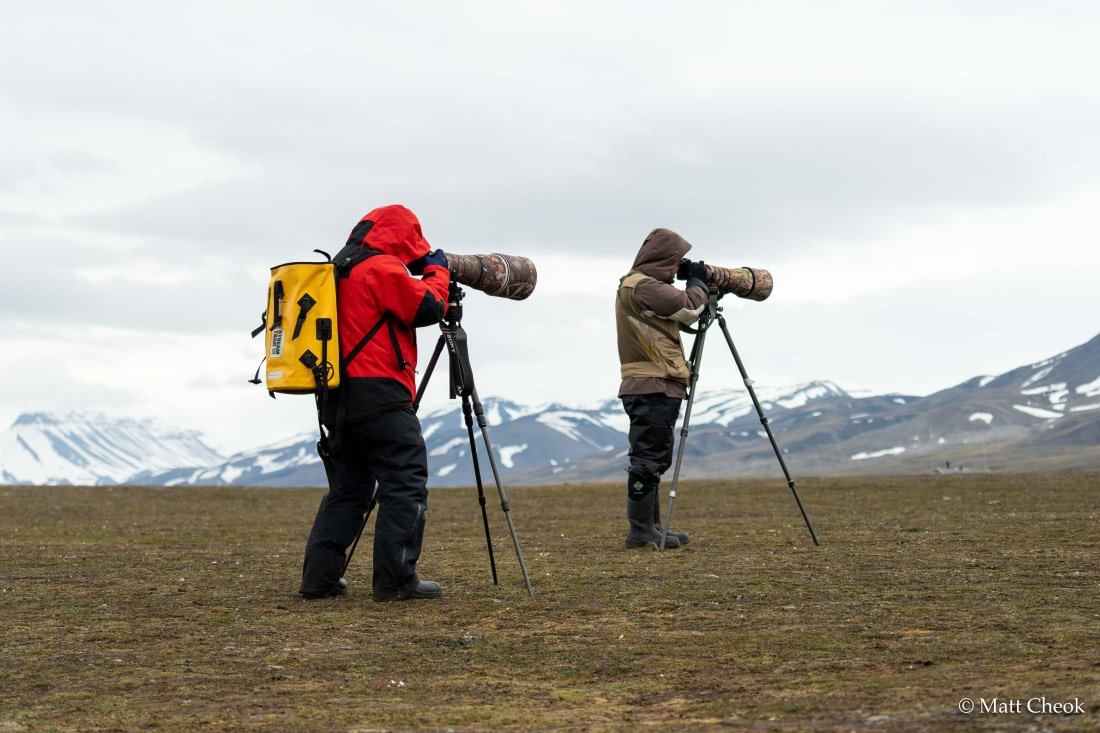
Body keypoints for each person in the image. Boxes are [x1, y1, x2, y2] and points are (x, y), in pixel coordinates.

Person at [299, 204, 451, 601]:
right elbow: (428, 307)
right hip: (380, 392)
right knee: (405, 483)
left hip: (335, 395)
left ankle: (319, 579)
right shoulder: (380, 268)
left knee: (349, 487)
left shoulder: (337, 269)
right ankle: (396, 581)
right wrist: (437, 271)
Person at [615, 228, 709, 549]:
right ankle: (640, 531)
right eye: (674, 262)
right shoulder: (642, 285)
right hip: (652, 382)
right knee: (647, 458)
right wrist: (697, 282)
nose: (675, 270)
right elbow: (687, 307)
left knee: (654, 457)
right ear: (663, 258)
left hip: (657, 381)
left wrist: (699, 287)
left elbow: (679, 316)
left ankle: (651, 527)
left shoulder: (643, 287)